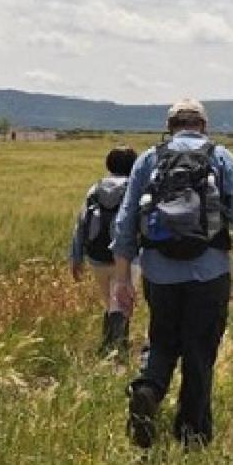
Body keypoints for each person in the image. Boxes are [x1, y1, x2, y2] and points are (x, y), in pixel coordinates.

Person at [112, 99, 233, 450]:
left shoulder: (149, 160)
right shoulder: (221, 158)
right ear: (203, 125)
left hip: (159, 273)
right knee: (199, 350)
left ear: (170, 125)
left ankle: (148, 389)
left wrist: (122, 281)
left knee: (162, 339)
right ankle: (192, 434)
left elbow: (125, 222)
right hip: (209, 273)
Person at [69, 145, 139, 357]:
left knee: (110, 303)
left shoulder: (95, 189)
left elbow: (81, 224)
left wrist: (76, 257)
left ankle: (108, 347)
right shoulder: (134, 188)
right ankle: (117, 351)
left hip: (97, 257)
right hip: (126, 257)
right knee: (123, 302)